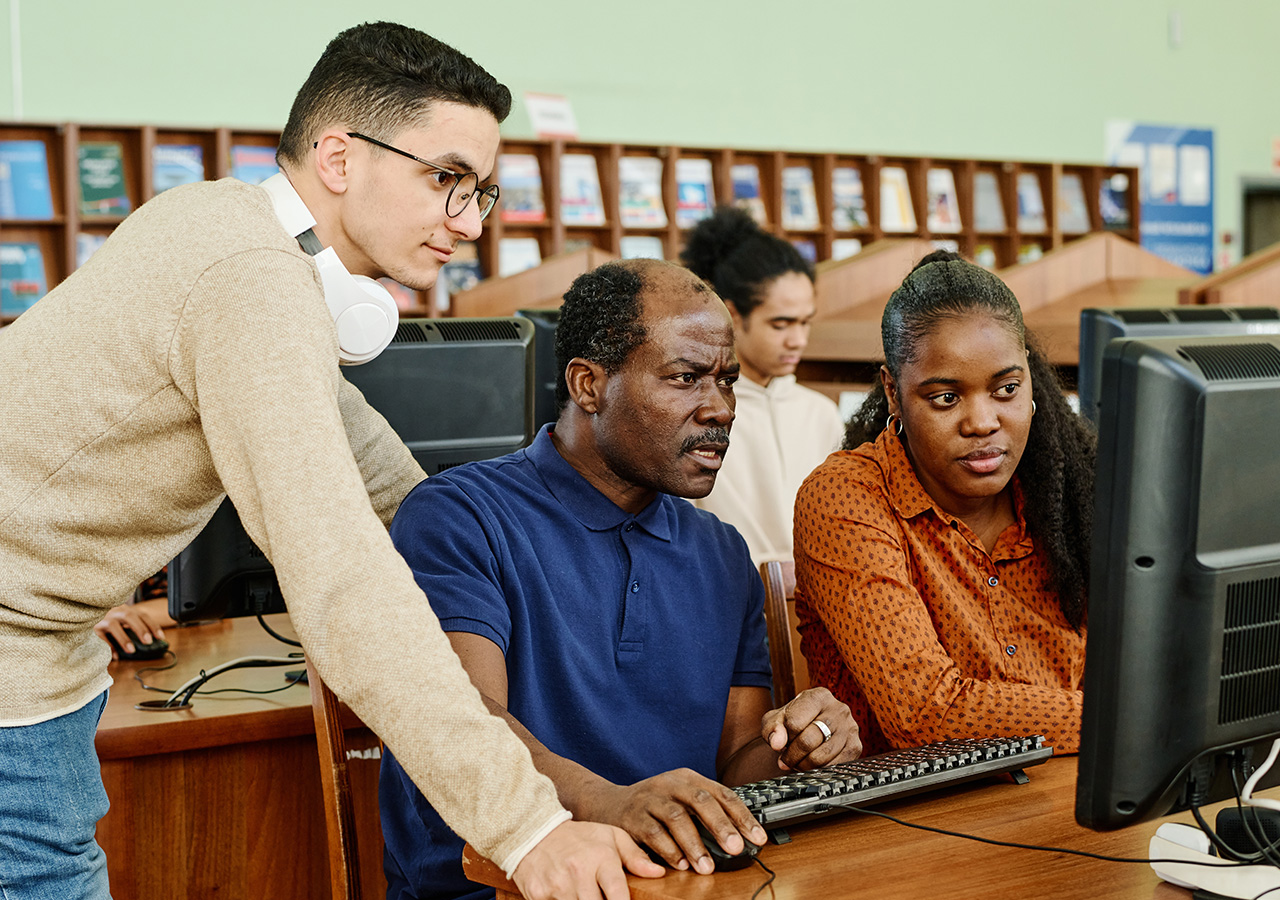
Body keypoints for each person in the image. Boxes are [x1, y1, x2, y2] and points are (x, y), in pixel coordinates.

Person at [0, 23, 652, 900]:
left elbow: (390, 485)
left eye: (481, 193)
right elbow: (339, 574)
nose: (468, 222)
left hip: (42, 657)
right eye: (446, 179)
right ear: (339, 157)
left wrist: (535, 577)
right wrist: (526, 827)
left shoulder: (233, 233)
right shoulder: (251, 280)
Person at [380, 259, 862, 900]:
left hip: (677, 883)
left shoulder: (722, 552)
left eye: (726, 381)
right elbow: (464, 721)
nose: (720, 409)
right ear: (588, 385)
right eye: (686, 379)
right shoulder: (460, 515)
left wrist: (796, 746)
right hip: (502, 884)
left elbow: (736, 765)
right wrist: (608, 803)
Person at [792, 250, 1096, 757]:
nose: (982, 422)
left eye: (1007, 389)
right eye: (946, 398)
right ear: (893, 392)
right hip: (913, 804)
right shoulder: (845, 497)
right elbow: (924, 713)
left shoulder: (1067, 495)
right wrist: (1122, 722)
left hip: (1065, 790)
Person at [680, 206, 844, 566]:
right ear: (733, 315)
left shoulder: (821, 413)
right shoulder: (696, 412)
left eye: (805, 322)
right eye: (781, 324)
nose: (798, 340)